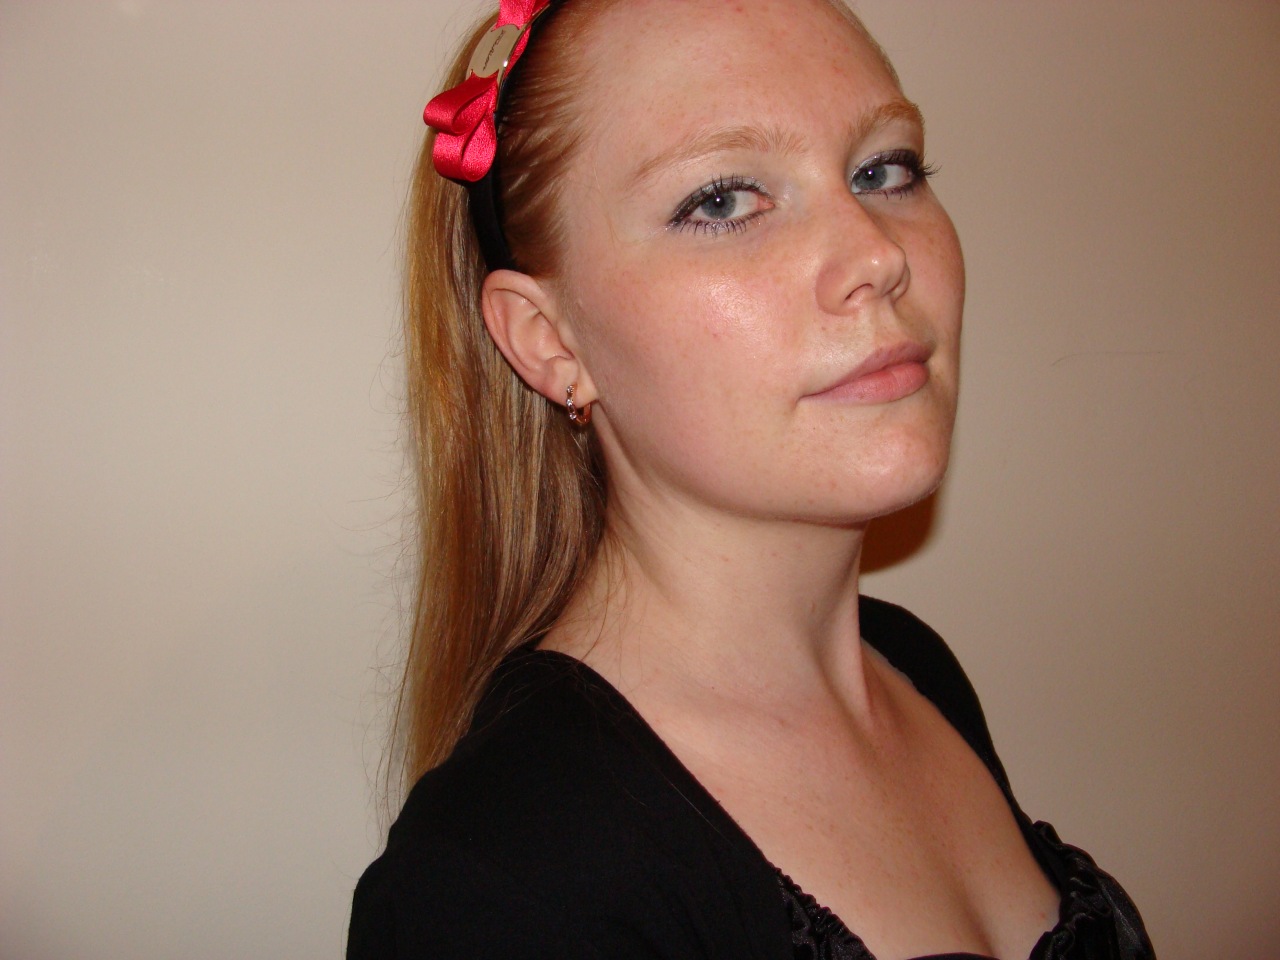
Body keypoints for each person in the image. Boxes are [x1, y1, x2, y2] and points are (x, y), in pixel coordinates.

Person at [348, 0, 1155, 957]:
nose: (880, 255)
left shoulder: (913, 669)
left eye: (885, 170)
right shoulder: (497, 884)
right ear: (549, 341)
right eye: (724, 200)